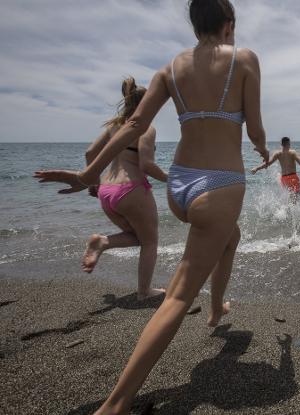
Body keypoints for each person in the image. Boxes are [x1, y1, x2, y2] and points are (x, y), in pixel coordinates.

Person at [34, 1, 269, 413]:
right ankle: (116, 404)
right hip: (220, 184)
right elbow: (254, 127)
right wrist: (265, 149)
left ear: (195, 26)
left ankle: (216, 310)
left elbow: (134, 125)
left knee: (229, 237)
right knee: (177, 298)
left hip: (178, 185)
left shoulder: (169, 69)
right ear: (229, 24)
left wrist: (90, 175)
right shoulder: (244, 59)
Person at [82, 77, 168, 300]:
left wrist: (94, 182)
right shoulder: (145, 128)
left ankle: (102, 242)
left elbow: (90, 154)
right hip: (131, 189)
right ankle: (144, 292)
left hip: (107, 191)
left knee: (138, 236)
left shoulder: (114, 126)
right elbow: (146, 164)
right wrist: (171, 179)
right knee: (150, 241)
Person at [251, 136, 300, 202]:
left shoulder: (278, 153)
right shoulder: (293, 152)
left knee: (289, 197)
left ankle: (286, 211)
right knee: (296, 199)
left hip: (284, 179)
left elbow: (268, 163)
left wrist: (256, 168)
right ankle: (292, 211)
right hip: (293, 178)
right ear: (289, 144)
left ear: (281, 144)